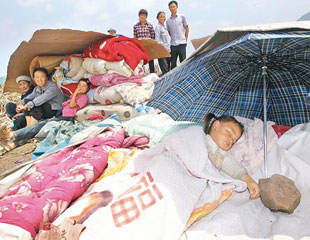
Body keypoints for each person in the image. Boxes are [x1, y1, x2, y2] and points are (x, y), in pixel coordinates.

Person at [203, 112, 260, 199]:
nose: (230, 140)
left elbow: (231, 166)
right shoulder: (200, 137)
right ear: (216, 125)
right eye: (229, 133)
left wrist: (248, 180)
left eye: (233, 142)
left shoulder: (220, 154)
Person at [166, 1, 189, 69]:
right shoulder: (168, 21)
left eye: (174, 6)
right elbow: (169, 32)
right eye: (171, 7)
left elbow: (187, 29)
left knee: (183, 63)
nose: (172, 8)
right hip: (173, 45)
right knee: (173, 64)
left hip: (182, 43)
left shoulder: (182, 17)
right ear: (169, 8)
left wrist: (185, 40)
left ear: (177, 7)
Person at [133, 9, 155, 73]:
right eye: (141, 15)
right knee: (141, 63)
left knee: (151, 62)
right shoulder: (135, 26)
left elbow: (153, 36)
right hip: (140, 48)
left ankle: (152, 75)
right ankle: (141, 76)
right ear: (139, 16)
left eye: (144, 15)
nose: (142, 16)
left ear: (146, 16)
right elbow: (135, 38)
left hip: (149, 47)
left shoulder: (150, 25)